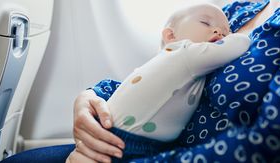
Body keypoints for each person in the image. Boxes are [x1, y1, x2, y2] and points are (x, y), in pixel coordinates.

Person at [0, 0, 280, 163]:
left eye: (222, 31)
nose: (218, 32)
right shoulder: (241, 9)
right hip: (130, 138)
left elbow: (269, 144)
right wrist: (93, 97)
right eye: (207, 26)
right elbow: (155, 77)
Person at [66, 3, 250, 163]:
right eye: (205, 23)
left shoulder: (168, 60)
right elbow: (240, 43)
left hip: (117, 132)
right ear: (171, 35)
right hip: (129, 143)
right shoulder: (186, 54)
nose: (219, 31)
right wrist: (237, 35)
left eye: (226, 31)